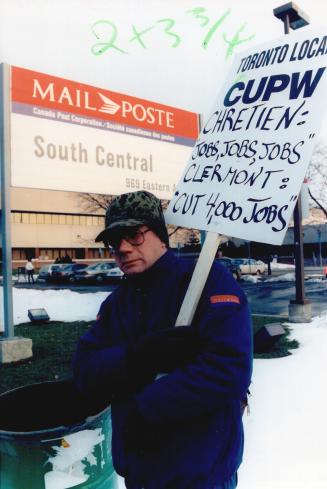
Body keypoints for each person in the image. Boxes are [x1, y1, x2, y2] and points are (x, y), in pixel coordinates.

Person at [73, 190, 253, 489]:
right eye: (113, 241)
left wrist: (147, 410)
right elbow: (84, 371)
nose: (122, 248)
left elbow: (228, 369)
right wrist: (138, 357)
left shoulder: (206, 280)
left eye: (133, 235)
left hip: (199, 470)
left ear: (160, 235)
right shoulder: (117, 304)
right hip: (141, 472)